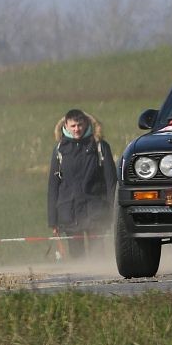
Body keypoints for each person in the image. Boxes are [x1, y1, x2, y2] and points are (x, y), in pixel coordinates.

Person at [46, 109, 116, 260]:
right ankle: (78, 283)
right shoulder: (59, 150)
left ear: (86, 124)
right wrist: (53, 220)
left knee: (98, 256)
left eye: (79, 125)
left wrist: (114, 211)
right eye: (73, 126)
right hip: (69, 214)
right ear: (66, 125)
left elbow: (111, 183)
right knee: (77, 257)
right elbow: (53, 186)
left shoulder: (101, 147)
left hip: (96, 212)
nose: (77, 129)